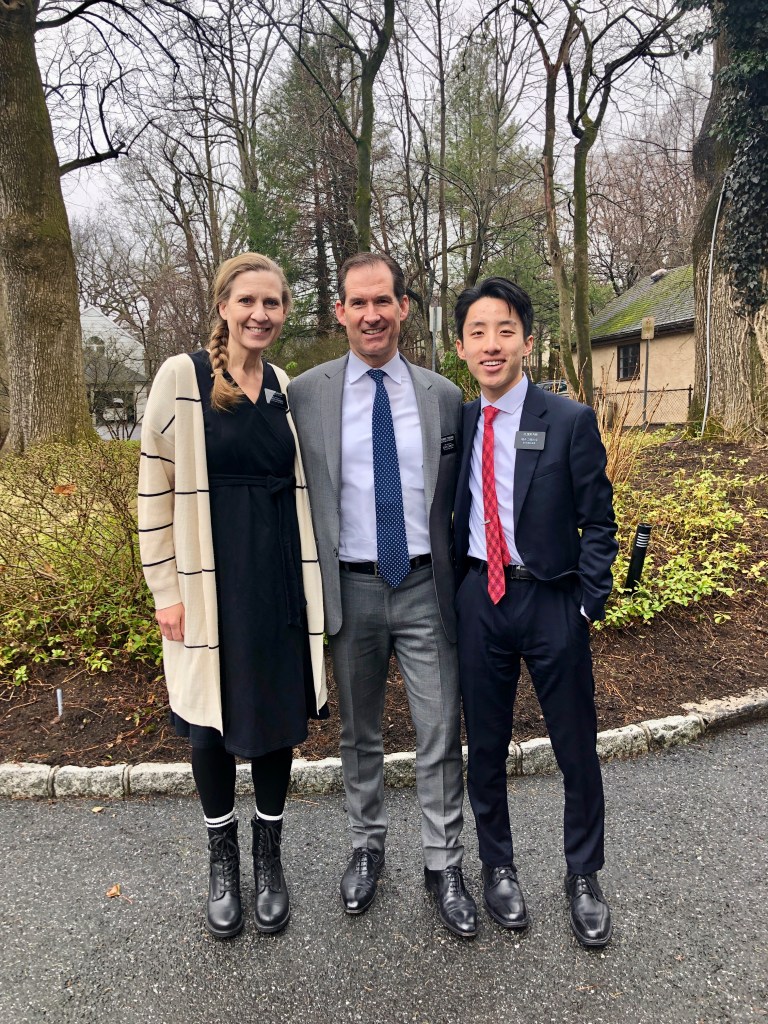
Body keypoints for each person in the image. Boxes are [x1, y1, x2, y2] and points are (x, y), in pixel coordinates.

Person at [138, 253, 327, 939]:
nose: (260, 314)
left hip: (278, 579)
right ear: (223, 305)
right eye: (247, 300)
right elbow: (154, 488)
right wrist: (164, 589)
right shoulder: (182, 377)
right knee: (209, 723)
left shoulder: (283, 385)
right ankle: (222, 861)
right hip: (208, 583)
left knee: (276, 719)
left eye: (272, 303)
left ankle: (268, 858)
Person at [288, 253, 477, 938]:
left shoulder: (442, 395)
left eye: (383, 301)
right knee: (359, 732)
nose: (371, 315)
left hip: (427, 586)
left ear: (403, 307)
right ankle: (366, 847)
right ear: (340, 311)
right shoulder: (304, 395)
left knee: (440, 729)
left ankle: (444, 862)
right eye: (358, 303)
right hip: (350, 588)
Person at [452, 277, 619, 947]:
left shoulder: (568, 420)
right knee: (485, 747)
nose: (492, 344)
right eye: (478, 332)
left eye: (505, 330)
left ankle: (584, 875)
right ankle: (498, 867)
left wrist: (587, 604)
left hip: (552, 599)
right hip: (480, 599)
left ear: (526, 340)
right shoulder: (461, 422)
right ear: (461, 347)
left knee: (576, 747)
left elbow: (599, 521)